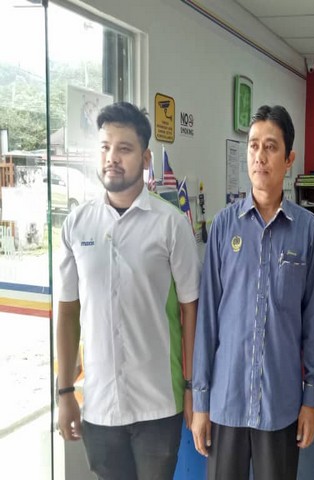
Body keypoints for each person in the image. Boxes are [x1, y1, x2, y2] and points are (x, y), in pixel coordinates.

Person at [56, 102, 201, 480]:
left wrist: (191, 388)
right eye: (105, 147)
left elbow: (191, 310)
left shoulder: (171, 225)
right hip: (100, 404)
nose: (112, 158)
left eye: (124, 148)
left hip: (158, 404)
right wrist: (65, 392)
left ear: (145, 158)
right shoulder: (77, 225)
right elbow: (68, 311)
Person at [191, 105, 314, 480]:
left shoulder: (306, 230)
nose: (259, 156)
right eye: (253, 146)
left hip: (280, 405)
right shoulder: (224, 226)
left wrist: (311, 400)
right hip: (227, 402)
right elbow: (207, 321)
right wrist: (200, 401)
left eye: (270, 147)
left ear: (289, 159)